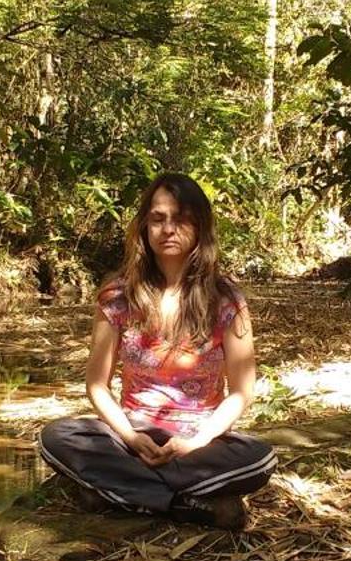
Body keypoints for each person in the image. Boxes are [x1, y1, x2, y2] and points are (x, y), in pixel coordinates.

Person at [37, 174, 276, 529]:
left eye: (180, 218)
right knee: (55, 437)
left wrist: (197, 441)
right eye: (158, 218)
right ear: (144, 226)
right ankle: (181, 503)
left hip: (199, 440)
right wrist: (132, 438)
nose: (168, 229)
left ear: (199, 227)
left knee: (259, 458)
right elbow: (97, 386)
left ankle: (126, 493)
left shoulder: (226, 300)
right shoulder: (117, 297)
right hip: (132, 433)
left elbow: (242, 392)